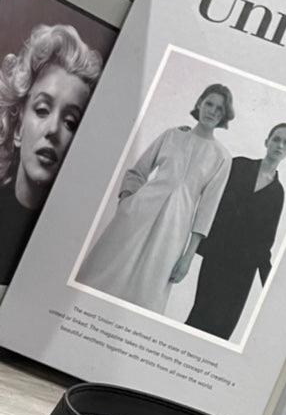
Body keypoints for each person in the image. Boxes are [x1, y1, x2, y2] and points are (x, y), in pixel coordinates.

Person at [77, 83, 234, 314]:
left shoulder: (222, 157)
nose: (212, 111)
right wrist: (126, 202)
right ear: (200, 103)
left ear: (224, 115)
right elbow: (138, 171)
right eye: (209, 104)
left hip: (174, 231)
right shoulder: (172, 135)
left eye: (219, 109)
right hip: (136, 216)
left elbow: (207, 211)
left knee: (146, 296)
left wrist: (188, 257)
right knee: (101, 278)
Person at [0, 24, 101, 287]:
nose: (54, 129)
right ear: (18, 127)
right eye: (42, 110)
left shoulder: (77, 244)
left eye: (70, 122)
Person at [185, 122, 286, 339]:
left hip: (243, 272)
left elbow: (266, 242)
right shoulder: (239, 165)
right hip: (217, 258)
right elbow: (209, 179)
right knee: (198, 318)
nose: (280, 145)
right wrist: (189, 137)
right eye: (276, 139)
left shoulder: (277, 193)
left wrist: (268, 283)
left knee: (221, 331)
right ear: (267, 142)